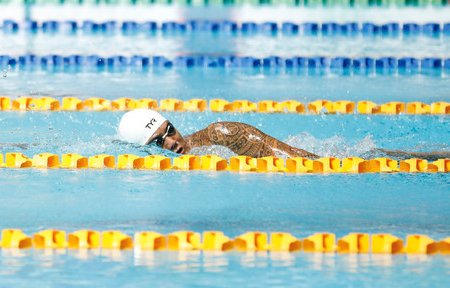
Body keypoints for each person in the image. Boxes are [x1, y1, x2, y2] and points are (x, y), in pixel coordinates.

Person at [118, 108, 449, 160]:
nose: (172, 142)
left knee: (392, 159)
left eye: (170, 131)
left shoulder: (225, 135)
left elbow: (302, 161)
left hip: (328, 162)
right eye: (159, 142)